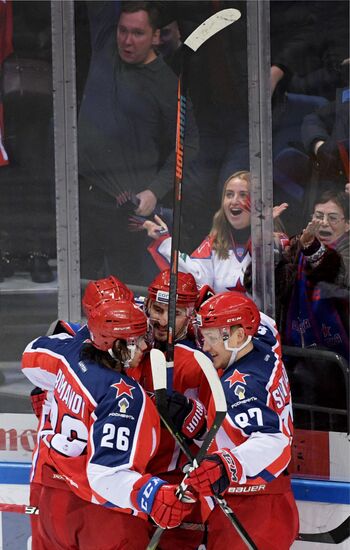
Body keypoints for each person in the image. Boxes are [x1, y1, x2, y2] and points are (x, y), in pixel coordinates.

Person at [22, 298, 194, 549]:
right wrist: (152, 494)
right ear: (114, 346)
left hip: (54, 506)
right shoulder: (122, 395)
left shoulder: (69, 354)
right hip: (101, 513)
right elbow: (105, 475)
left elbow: (30, 359)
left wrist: (51, 402)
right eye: (137, 340)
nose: (146, 345)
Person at [78, 0, 198, 284]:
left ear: (156, 36)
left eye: (137, 33)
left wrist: (155, 191)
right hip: (83, 195)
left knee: (128, 288)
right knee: (78, 285)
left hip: (129, 207)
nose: (126, 41)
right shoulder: (106, 43)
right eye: (122, 31)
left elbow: (189, 142)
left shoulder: (168, 85)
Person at [184, 291, 299, 549]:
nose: (205, 346)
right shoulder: (264, 345)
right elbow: (263, 322)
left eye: (213, 338)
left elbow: (274, 441)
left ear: (238, 336)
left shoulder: (242, 387)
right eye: (205, 337)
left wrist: (227, 464)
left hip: (251, 511)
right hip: (275, 502)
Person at [144, 170, 289, 293]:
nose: (234, 201)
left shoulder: (277, 240)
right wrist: (164, 241)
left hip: (263, 325)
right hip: (221, 325)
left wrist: (262, 233)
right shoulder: (214, 243)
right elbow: (195, 278)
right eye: (229, 194)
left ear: (259, 203)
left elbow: (278, 282)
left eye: (243, 195)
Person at [276, 189, 349, 361]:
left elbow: (339, 274)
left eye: (332, 218)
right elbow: (269, 286)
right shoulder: (300, 245)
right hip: (300, 359)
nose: (323, 223)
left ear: (348, 224)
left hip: (341, 362)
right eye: (318, 216)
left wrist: (311, 248)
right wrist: (266, 242)